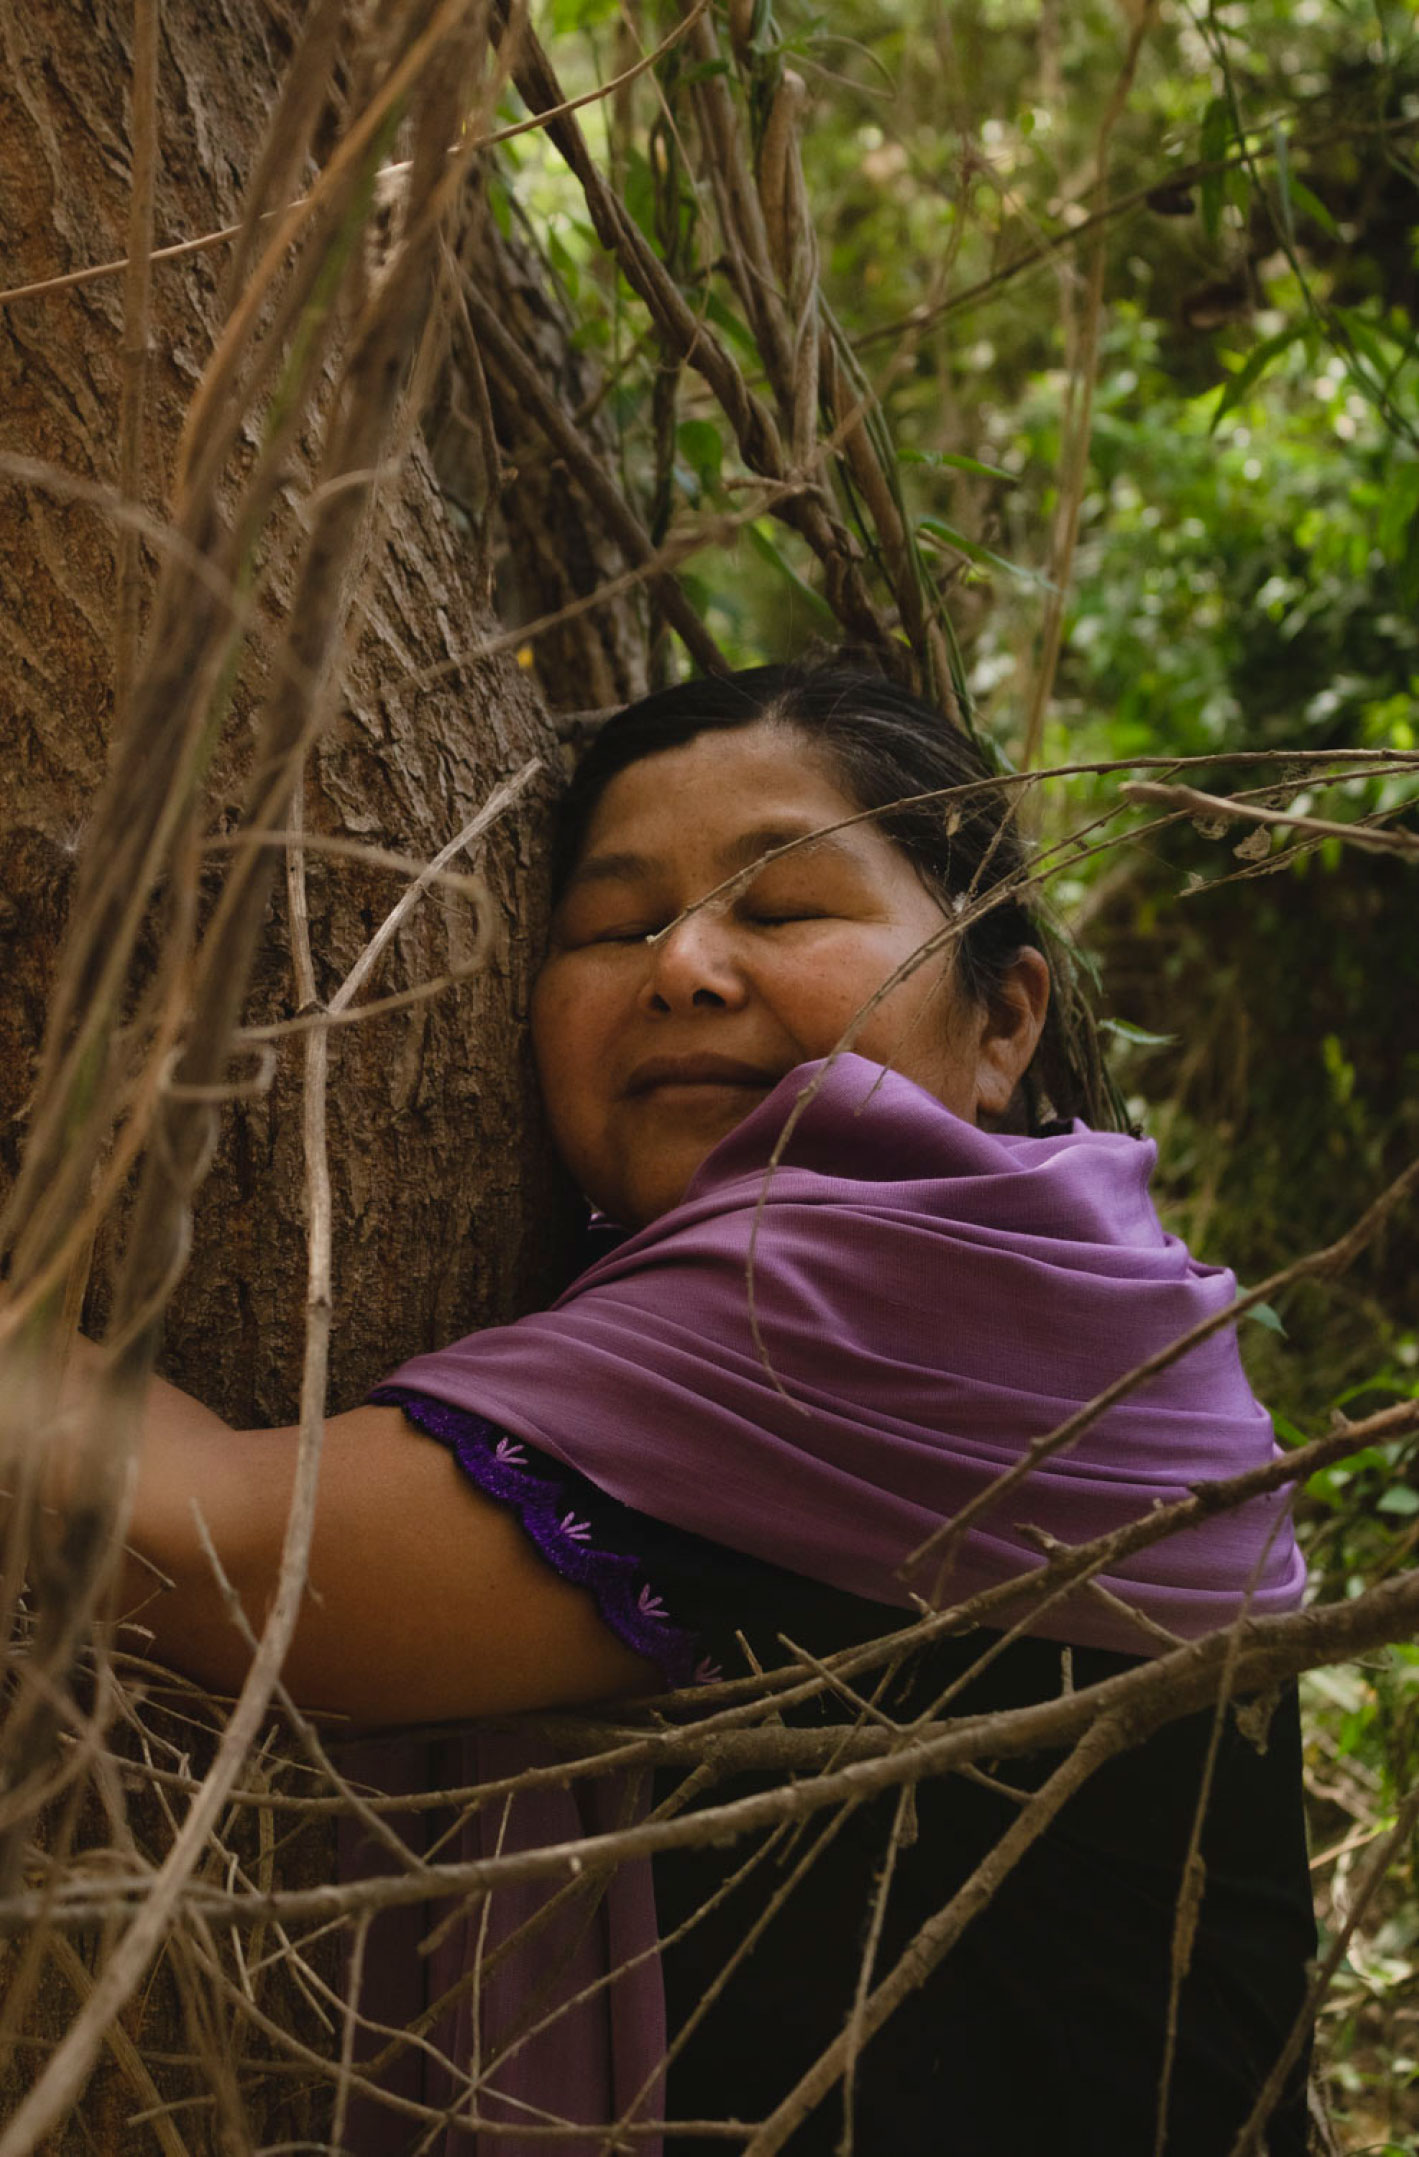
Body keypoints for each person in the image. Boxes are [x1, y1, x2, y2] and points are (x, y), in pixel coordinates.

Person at [107, 662, 1315, 2154]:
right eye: (613, 926)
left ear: (1004, 1019)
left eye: (783, 906)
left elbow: (218, 1552)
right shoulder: (1082, 1274)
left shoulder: (860, 1292)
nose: (682, 963)